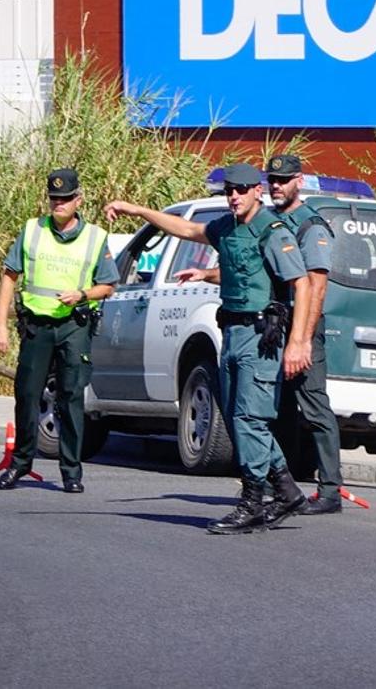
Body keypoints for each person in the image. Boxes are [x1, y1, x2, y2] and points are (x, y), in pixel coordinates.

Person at [105, 162, 311, 534]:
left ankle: (251, 502)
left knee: (250, 418)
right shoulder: (226, 228)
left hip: (260, 336)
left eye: (241, 190)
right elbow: (187, 228)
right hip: (230, 332)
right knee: (235, 418)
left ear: (257, 192)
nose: (234, 196)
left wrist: (298, 341)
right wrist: (139, 211)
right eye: (229, 190)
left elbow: (304, 284)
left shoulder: (272, 230)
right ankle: (286, 489)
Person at [184, 154, 343, 514]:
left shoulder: (308, 225)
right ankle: (280, 488)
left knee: (313, 405)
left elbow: (314, 287)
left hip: (297, 327)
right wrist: (205, 275)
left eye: (283, 180)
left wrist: (300, 339)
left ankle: (330, 490)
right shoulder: (267, 221)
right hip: (270, 327)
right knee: (272, 411)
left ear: (298, 181)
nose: (276, 186)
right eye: (272, 179)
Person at [0, 168, 117, 493]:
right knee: (27, 394)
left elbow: (108, 286)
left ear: (79, 199)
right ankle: (20, 464)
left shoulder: (95, 237)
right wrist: (0, 325)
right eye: (54, 199)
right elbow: (9, 275)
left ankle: (71, 472)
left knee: (71, 397)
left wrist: (83, 295)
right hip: (37, 325)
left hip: (74, 325)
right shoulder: (33, 230)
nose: (58, 204)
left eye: (65, 199)